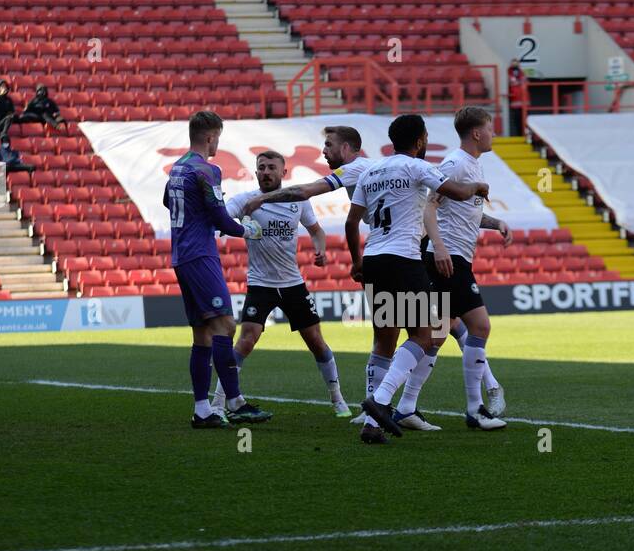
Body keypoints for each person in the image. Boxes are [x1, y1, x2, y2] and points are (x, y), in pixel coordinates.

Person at [345, 113, 489, 445]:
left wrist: (357, 262)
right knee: (425, 336)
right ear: (421, 141)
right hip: (404, 260)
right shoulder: (416, 167)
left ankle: (371, 424)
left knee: (385, 341)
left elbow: (352, 223)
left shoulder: (371, 172)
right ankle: (380, 401)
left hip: (375, 259)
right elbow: (456, 192)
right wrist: (479, 186)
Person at [212, 148, 350, 418]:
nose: (266, 172)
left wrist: (320, 249)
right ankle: (219, 401)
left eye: (271, 168)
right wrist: (223, 218)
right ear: (255, 172)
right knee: (247, 339)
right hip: (260, 284)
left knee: (316, 342)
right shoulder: (246, 200)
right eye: (261, 167)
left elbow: (317, 231)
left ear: (283, 172)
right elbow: (224, 217)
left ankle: (337, 399)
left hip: (292, 284)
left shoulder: (298, 200)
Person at [163, 109, 270, 429]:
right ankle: (235, 402)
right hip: (200, 254)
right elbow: (221, 218)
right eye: (217, 139)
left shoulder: (177, 169)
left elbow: (169, 203)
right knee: (225, 325)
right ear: (209, 137)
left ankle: (202, 410)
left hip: (181, 255)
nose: (217, 146)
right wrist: (248, 230)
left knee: (203, 335)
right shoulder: (207, 170)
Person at [413, 106, 511, 431]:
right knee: (480, 327)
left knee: (437, 336)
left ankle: (403, 406)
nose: (494, 134)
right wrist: (439, 248)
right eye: (491, 129)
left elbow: (464, 214)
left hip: (453, 256)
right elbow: (430, 209)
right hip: (448, 258)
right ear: (476, 133)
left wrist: (495, 222)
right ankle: (475, 408)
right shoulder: (455, 164)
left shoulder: (473, 164)